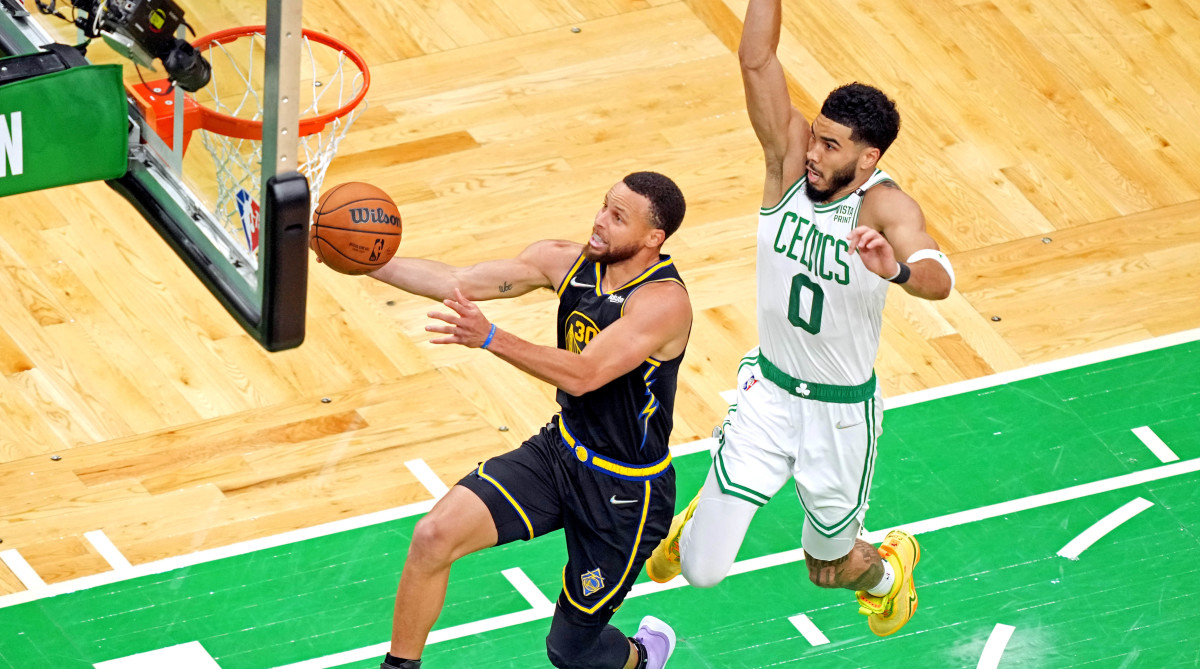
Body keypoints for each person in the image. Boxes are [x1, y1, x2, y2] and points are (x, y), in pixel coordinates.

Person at [643, 0, 954, 640]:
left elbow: (940, 279)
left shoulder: (885, 208)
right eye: (815, 134)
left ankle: (889, 571)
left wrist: (894, 271)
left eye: (831, 145)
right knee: (699, 572)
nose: (813, 150)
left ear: (867, 159)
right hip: (770, 394)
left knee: (828, 570)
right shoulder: (787, 165)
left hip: (839, 415)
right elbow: (756, 58)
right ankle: (712, 507)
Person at [354, 172, 692, 669]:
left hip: (624, 494)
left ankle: (642, 659)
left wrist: (490, 336)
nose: (599, 221)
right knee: (433, 537)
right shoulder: (565, 260)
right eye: (603, 206)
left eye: (618, 217)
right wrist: (362, 259)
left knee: (570, 651)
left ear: (653, 239)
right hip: (560, 453)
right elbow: (457, 281)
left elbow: (584, 374)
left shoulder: (663, 303)